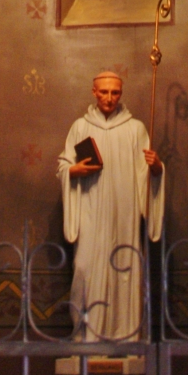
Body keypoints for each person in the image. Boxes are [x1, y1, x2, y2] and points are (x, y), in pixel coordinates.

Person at [57, 70, 164, 341]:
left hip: (123, 216)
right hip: (91, 211)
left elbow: (148, 175)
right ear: (94, 92)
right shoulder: (80, 127)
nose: (109, 98)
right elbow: (63, 166)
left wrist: (157, 168)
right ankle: (87, 338)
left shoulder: (135, 128)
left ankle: (124, 337)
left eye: (114, 92)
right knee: (85, 268)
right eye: (103, 92)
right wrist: (73, 171)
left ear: (121, 94)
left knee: (124, 271)